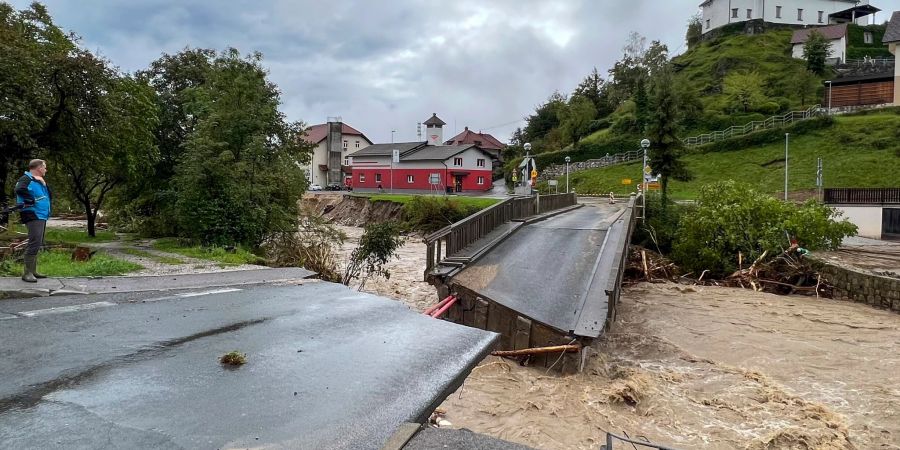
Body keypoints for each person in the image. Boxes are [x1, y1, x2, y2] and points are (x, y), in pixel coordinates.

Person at [15, 159, 51, 283]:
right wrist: (31, 200)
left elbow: (48, 195)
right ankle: (27, 273)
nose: (46, 170)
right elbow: (20, 189)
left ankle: (33, 271)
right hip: (33, 214)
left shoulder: (36, 181)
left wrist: (43, 183)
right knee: (34, 242)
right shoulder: (26, 178)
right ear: (39, 168)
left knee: (37, 242)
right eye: (45, 167)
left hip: (40, 214)